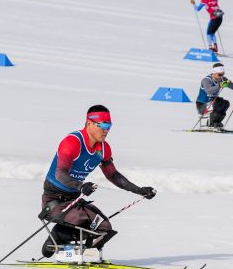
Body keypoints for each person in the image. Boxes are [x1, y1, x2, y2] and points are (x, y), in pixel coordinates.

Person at [39, 105, 157, 258]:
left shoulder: (104, 149)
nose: (106, 130)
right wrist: (81, 185)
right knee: (99, 228)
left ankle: (64, 239)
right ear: (89, 123)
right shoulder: (72, 142)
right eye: (103, 125)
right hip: (54, 201)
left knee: (104, 228)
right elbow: (60, 173)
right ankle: (65, 244)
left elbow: (113, 175)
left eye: (109, 126)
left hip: (75, 199)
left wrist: (139, 190)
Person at [195, 63, 233, 129]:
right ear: (214, 73)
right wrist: (219, 85)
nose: (221, 76)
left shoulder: (222, 79)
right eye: (220, 74)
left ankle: (217, 122)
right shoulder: (206, 80)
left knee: (226, 103)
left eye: (223, 74)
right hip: (202, 105)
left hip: (212, 102)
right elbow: (209, 90)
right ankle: (211, 124)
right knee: (218, 103)